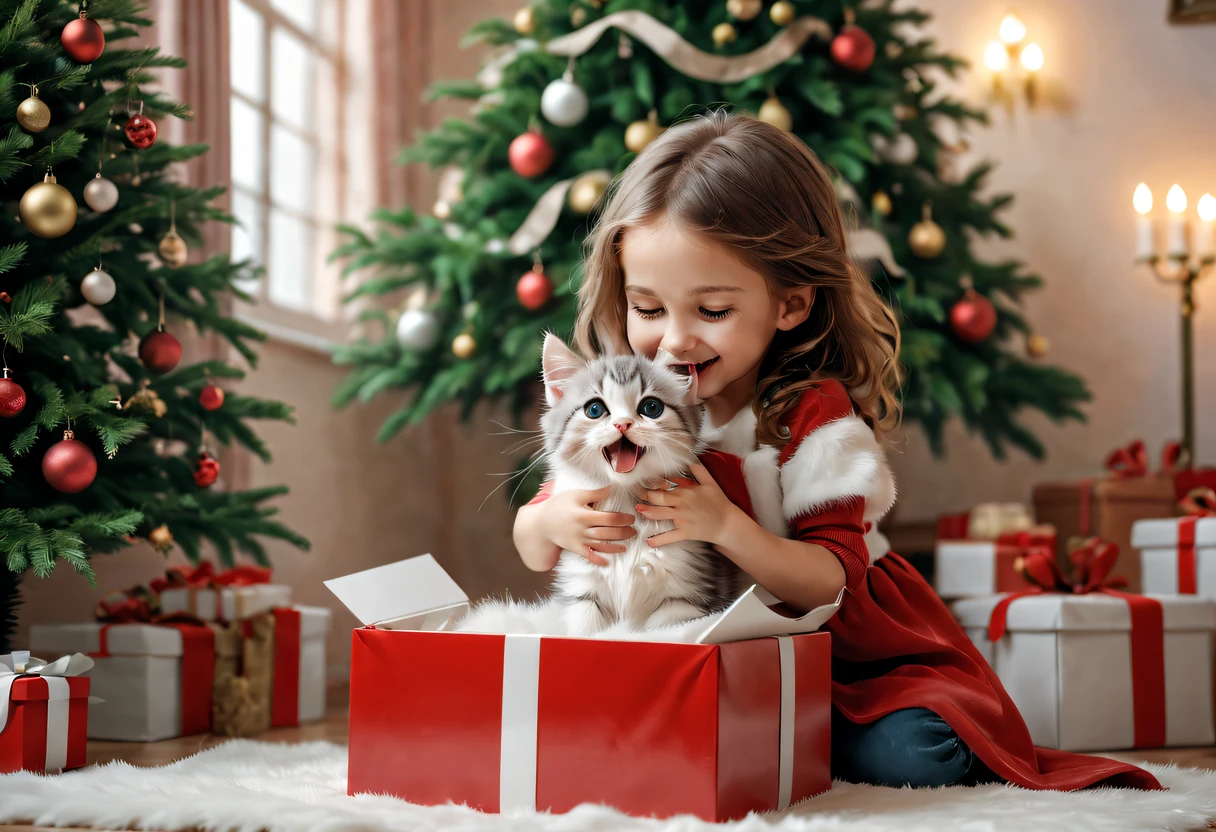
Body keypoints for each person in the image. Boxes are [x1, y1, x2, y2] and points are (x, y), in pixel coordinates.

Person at [512, 110, 1159, 792]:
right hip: (734, 654)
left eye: (711, 312)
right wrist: (549, 522)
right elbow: (536, 539)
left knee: (918, 754)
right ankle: (774, 728)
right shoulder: (630, 404)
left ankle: (818, 729)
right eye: (648, 309)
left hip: (850, 651)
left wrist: (726, 527)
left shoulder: (808, 413)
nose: (674, 341)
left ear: (790, 304)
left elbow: (832, 583)